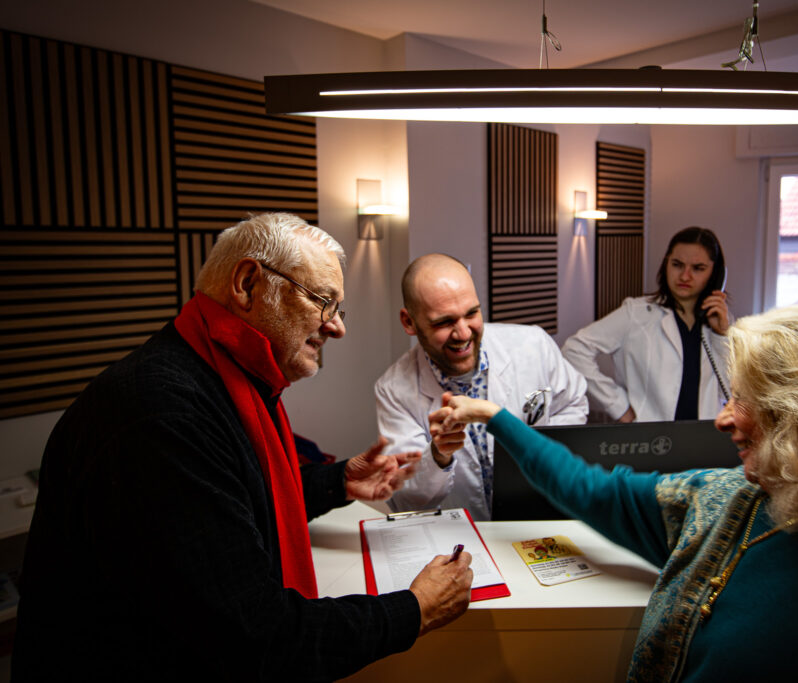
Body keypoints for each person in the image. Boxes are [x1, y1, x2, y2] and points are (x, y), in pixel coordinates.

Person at [431, 305, 798, 681]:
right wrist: (497, 417)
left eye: (742, 399)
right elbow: (587, 489)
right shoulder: (720, 498)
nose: (722, 419)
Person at [14, 213, 473, 682]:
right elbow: (258, 637)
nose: (337, 328)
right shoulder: (162, 415)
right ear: (248, 283)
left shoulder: (210, 376)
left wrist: (337, 481)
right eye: (323, 302)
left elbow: (232, 498)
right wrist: (415, 608)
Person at [374, 253, 588, 520]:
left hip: (539, 518)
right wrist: (438, 456)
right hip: (462, 535)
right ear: (409, 322)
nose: (463, 333)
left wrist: (535, 450)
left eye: (472, 313)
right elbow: (406, 499)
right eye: (444, 322)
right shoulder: (393, 390)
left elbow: (573, 403)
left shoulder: (534, 345)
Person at [562, 226, 731, 422]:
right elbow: (574, 350)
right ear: (666, 264)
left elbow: (731, 392)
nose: (685, 276)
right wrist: (618, 406)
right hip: (650, 434)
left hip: (704, 434)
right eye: (677, 265)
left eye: (698, 268)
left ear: (716, 274)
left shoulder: (720, 321)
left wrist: (721, 335)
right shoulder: (636, 313)